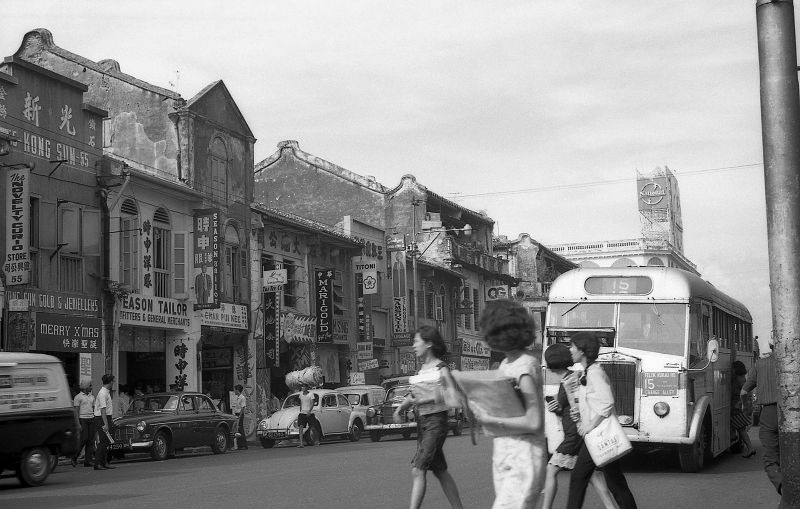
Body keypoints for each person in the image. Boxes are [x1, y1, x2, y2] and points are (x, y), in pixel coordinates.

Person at [468, 300, 545, 509]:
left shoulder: (524, 365)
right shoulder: (506, 363)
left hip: (524, 453)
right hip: (504, 451)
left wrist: (490, 420)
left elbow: (534, 422)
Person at [565, 332, 637, 509]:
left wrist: (589, 425)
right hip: (597, 434)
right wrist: (579, 415)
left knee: (579, 477)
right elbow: (595, 402)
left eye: (572, 346)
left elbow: (607, 402)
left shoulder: (594, 373)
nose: (570, 350)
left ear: (582, 351)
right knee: (615, 483)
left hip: (598, 434)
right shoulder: (588, 371)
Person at [542, 343, 618, 509]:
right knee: (594, 476)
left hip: (574, 434)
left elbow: (576, 408)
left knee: (551, 470)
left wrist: (558, 408)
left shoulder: (569, 381)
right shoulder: (572, 378)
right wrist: (557, 408)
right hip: (579, 432)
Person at [394, 325, 463, 509]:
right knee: (440, 471)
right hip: (423, 424)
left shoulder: (441, 368)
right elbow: (413, 396)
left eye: (416, 341)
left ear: (429, 344)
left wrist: (428, 398)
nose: (413, 346)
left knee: (418, 470)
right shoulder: (421, 371)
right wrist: (399, 409)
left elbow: (453, 395)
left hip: (436, 423)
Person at [741, 340, 781, 495]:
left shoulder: (760, 364)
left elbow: (744, 392)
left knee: (771, 459)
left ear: (771, 346)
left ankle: (784, 489)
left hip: (769, 414)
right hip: (793, 413)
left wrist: (747, 410)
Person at [731, 360, 755, 458]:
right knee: (741, 428)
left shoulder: (740, 378)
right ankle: (750, 448)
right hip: (740, 405)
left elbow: (745, 391)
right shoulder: (742, 377)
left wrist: (740, 403)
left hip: (738, 406)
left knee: (740, 428)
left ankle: (750, 448)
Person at [93, 374, 116, 470]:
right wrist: (106, 424)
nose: (113, 383)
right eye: (113, 381)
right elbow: (103, 410)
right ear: (110, 382)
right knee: (102, 441)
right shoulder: (102, 393)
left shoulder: (106, 392)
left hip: (106, 417)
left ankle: (104, 462)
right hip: (101, 418)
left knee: (106, 441)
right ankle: (98, 463)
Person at [72, 380, 95, 467]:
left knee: (90, 441)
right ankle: (74, 457)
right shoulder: (78, 397)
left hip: (91, 419)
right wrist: (78, 423)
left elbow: (93, 408)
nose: (91, 387)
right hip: (83, 419)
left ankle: (88, 461)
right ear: (85, 387)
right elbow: (76, 411)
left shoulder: (92, 397)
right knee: (83, 439)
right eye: (90, 386)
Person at [233, 384, 248, 450]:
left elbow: (243, 408)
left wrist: (239, 416)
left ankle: (244, 445)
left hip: (240, 414)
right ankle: (239, 445)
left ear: (237, 390)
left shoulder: (242, 397)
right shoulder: (237, 397)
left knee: (240, 429)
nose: (234, 391)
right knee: (237, 429)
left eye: (235, 390)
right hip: (236, 414)